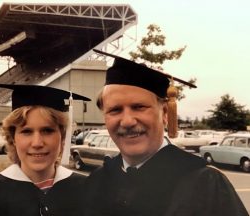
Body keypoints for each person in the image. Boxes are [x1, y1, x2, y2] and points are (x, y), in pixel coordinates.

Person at [83, 50, 249, 216]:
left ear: (165, 113)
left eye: (139, 107)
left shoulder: (205, 183)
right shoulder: (98, 180)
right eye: (115, 110)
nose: (127, 121)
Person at [0, 83, 91, 216]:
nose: (37, 143)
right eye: (27, 131)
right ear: (13, 138)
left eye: (47, 130)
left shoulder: (87, 188)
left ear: (62, 136)